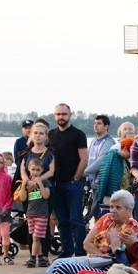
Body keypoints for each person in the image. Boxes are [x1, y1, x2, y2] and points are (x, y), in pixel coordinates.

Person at [49, 103, 88, 257]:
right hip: (56, 184)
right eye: (58, 114)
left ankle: (80, 251)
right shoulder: (51, 134)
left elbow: (84, 159)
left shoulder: (78, 134)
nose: (61, 117)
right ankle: (66, 251)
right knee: (62, 221)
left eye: (64, 114)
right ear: (54, 116)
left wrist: (75, 179)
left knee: (76, 219)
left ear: (70, 115)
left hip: (73, 184)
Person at [22, 158, 52, 268]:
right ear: (29, 169)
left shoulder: (44, 182)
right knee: (36, 237)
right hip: (31, 213)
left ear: (42, 170)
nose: (35, 172)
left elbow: (46, 196)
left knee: (36, 237)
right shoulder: (28, 183)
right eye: (33, 169)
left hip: (42, 213)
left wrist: (40, 184)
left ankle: (32, 258)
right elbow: (23, 198)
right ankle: (40, 258)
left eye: (38, 170)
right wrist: (24, 185)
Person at [83, 115, 115, 185]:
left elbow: (100, 162)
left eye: (99, 123)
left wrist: (84, 172)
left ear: (106, 127)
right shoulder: (93, 141)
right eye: (95, 123)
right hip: (91, 181)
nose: (96, 125)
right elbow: (87, 159)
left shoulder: (109, 142)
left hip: (101, 182)